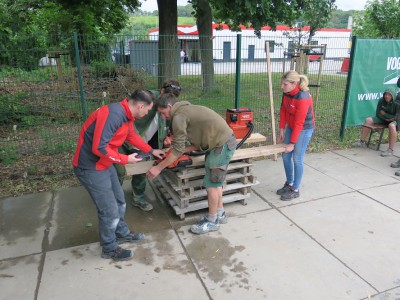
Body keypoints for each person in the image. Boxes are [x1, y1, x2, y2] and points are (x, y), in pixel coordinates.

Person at [72, 89, 164, 261]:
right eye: (148, 110)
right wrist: (124, 159)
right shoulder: (113, 115)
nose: (147, 113)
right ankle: (109, 248)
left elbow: (132, 136)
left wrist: (151, 150)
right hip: (90, 167)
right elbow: (98, 147)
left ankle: (121, 233)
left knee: (119, 200)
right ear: (140, 106)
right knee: (109, 210)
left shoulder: (126, 115)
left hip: (104, 163)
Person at [146, 93, 237, 235]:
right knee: (216, 183)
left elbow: (176, 151)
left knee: (211, 185)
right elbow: (193, 144)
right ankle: (220, 214)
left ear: (170, 107)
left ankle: (212, 221)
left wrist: (158, 167)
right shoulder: (186, 109)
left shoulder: (178, 117)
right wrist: (182, 151)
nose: (163, 117)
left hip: (221, 145)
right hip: (221, 142)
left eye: (163, 113)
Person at [114, 79, 181, 211]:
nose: (166, 102)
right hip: (124, 139)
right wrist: (134, 139)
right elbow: (128, 116)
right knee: (118, 172)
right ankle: (114, 200)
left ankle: (138, 198)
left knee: (141, 169)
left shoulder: (171, 105)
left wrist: (168, 136)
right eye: (165, 96)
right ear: (161, 91)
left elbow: (170, 122)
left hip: (144, 143)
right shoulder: (145, 99)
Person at [276, 70, 315, 201]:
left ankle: (295, 189)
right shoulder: (287, 94)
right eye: (282, 83)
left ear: (294, 84)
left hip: (304, 129)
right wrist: (282, 129)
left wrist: (292, 143)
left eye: (285, 84)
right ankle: (289, 183)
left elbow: (300, 123)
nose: (282, 86)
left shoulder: (303, 98)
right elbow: (283, 110)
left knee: (297, 158)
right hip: (291, 128)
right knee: (285, 156)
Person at [353, 88, 398, 157]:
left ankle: (390, 150)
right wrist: (386, 117)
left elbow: (396, 116)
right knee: (368, 120)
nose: (387, 96)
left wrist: (385, 115)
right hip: (383, 119)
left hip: (392, 121)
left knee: (392, 126)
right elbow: (378, 114)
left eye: (389, 95)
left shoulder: (397, 103)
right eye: (386, 94)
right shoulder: (381, 100)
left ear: (393, 96)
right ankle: (362, 141)